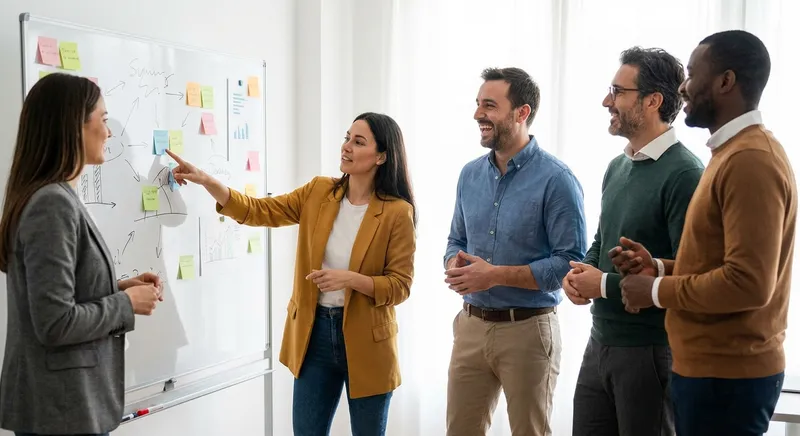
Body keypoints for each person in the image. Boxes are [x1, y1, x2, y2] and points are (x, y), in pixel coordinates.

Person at [165, 112, 416, 436]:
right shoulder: (319, 192)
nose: (346, 147)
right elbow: (258, 210)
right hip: (314, 336)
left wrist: (350, 279)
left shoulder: (397, 212)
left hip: (369, 341)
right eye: (346, 137)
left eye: (358, 141)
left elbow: (400, 286)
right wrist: (209, 181)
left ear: (381, 156)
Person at [615, 30, 795, 436]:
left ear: (725, 82)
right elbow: (719, 263)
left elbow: (748, 284)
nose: (683, 87)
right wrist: (658, 268)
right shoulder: (729, 153)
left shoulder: (751, 160)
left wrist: (656, 292)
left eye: (693, 74)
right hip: (710, 372)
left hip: (728, 377)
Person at [0, 73, 163, 436]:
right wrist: (125, 303)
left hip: (64, 407)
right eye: (103, 120)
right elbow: (55, 322)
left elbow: (59, 294)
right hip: (60, 410)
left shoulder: (55, 196)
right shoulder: (52, 204)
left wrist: (119, 286)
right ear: (75, 125)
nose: (109, 132)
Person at [562, 47, 704, 436]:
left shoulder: (686, 174)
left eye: (617, 91)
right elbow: (601, 240)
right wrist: (579, 274)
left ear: (653, 101)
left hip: (651, 352)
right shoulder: (617, 166)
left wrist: (603, 285)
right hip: (599, 344)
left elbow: (689, 272)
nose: (606, 101)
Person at [443, 67, 587, 436]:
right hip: (471, 327)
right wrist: (454, 263)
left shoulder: (557, 179)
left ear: (521, 113)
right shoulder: (468, 175)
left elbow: (569, 263)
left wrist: (494, 274)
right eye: (478, 104)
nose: (478, 114)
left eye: (489, 105)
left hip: (528, 330)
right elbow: (456, 239)